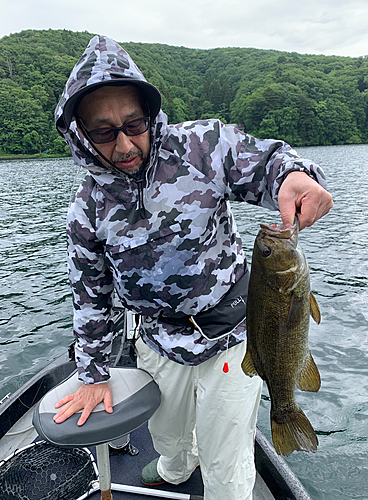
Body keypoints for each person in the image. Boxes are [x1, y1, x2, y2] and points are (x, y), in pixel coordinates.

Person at [53, 35, 333, 500]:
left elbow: (266, 163)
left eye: (134, 123)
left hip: (233, 333)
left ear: (149, 114)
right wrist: (93, 375)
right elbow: (92, 297)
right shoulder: (86, 208)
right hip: (157, 338)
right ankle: (175, 466)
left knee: (228, 466)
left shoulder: (202, 147)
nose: (124, 143)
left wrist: (295, 177)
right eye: (104, 132)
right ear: (81, 132)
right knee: (167, 437)